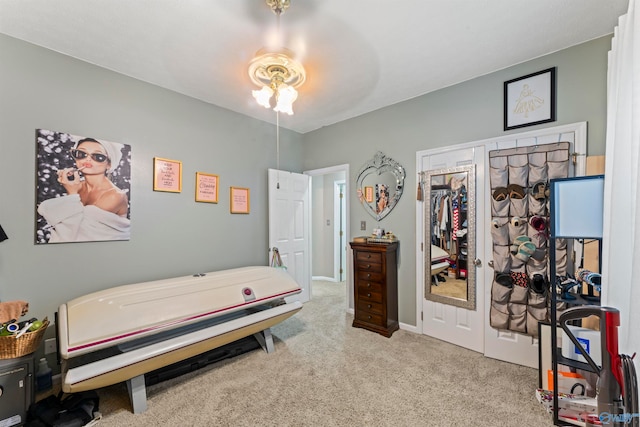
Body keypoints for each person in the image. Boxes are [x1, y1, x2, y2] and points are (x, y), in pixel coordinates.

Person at [37, 137, 130, 242]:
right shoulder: (76, 186)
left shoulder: (115, 196)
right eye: (81, 154)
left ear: (109, 164)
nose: (88, 159)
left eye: (98, 156)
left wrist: (71, 194)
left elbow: (74, 232)